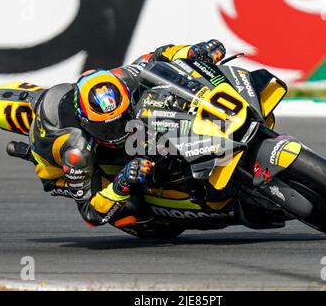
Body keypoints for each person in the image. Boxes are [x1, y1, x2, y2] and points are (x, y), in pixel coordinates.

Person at [28, 40, 227, 228]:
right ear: (84, 121)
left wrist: (193, 52)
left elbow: (158, 57)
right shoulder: (77, 150)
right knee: (133, 210)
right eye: (105, 128)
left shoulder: (123, 78)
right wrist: (121, 183)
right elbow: (90, 214)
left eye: (121, 120)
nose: (115, 132)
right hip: (60, 163)